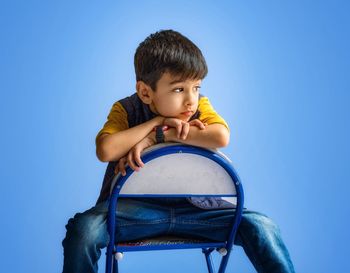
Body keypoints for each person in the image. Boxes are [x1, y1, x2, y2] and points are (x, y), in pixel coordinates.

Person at [62, 29, 295, 273]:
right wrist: (155, 122)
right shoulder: (126, 109)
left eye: (196, 87)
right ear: (145, 92)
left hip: (198, 211)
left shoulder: (200, 107)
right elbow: (106, 150)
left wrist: (157, 137)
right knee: (83, 229)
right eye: (178, 89)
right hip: (135, 213)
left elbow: (220, 136)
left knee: (261, 225)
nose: (190, 100)